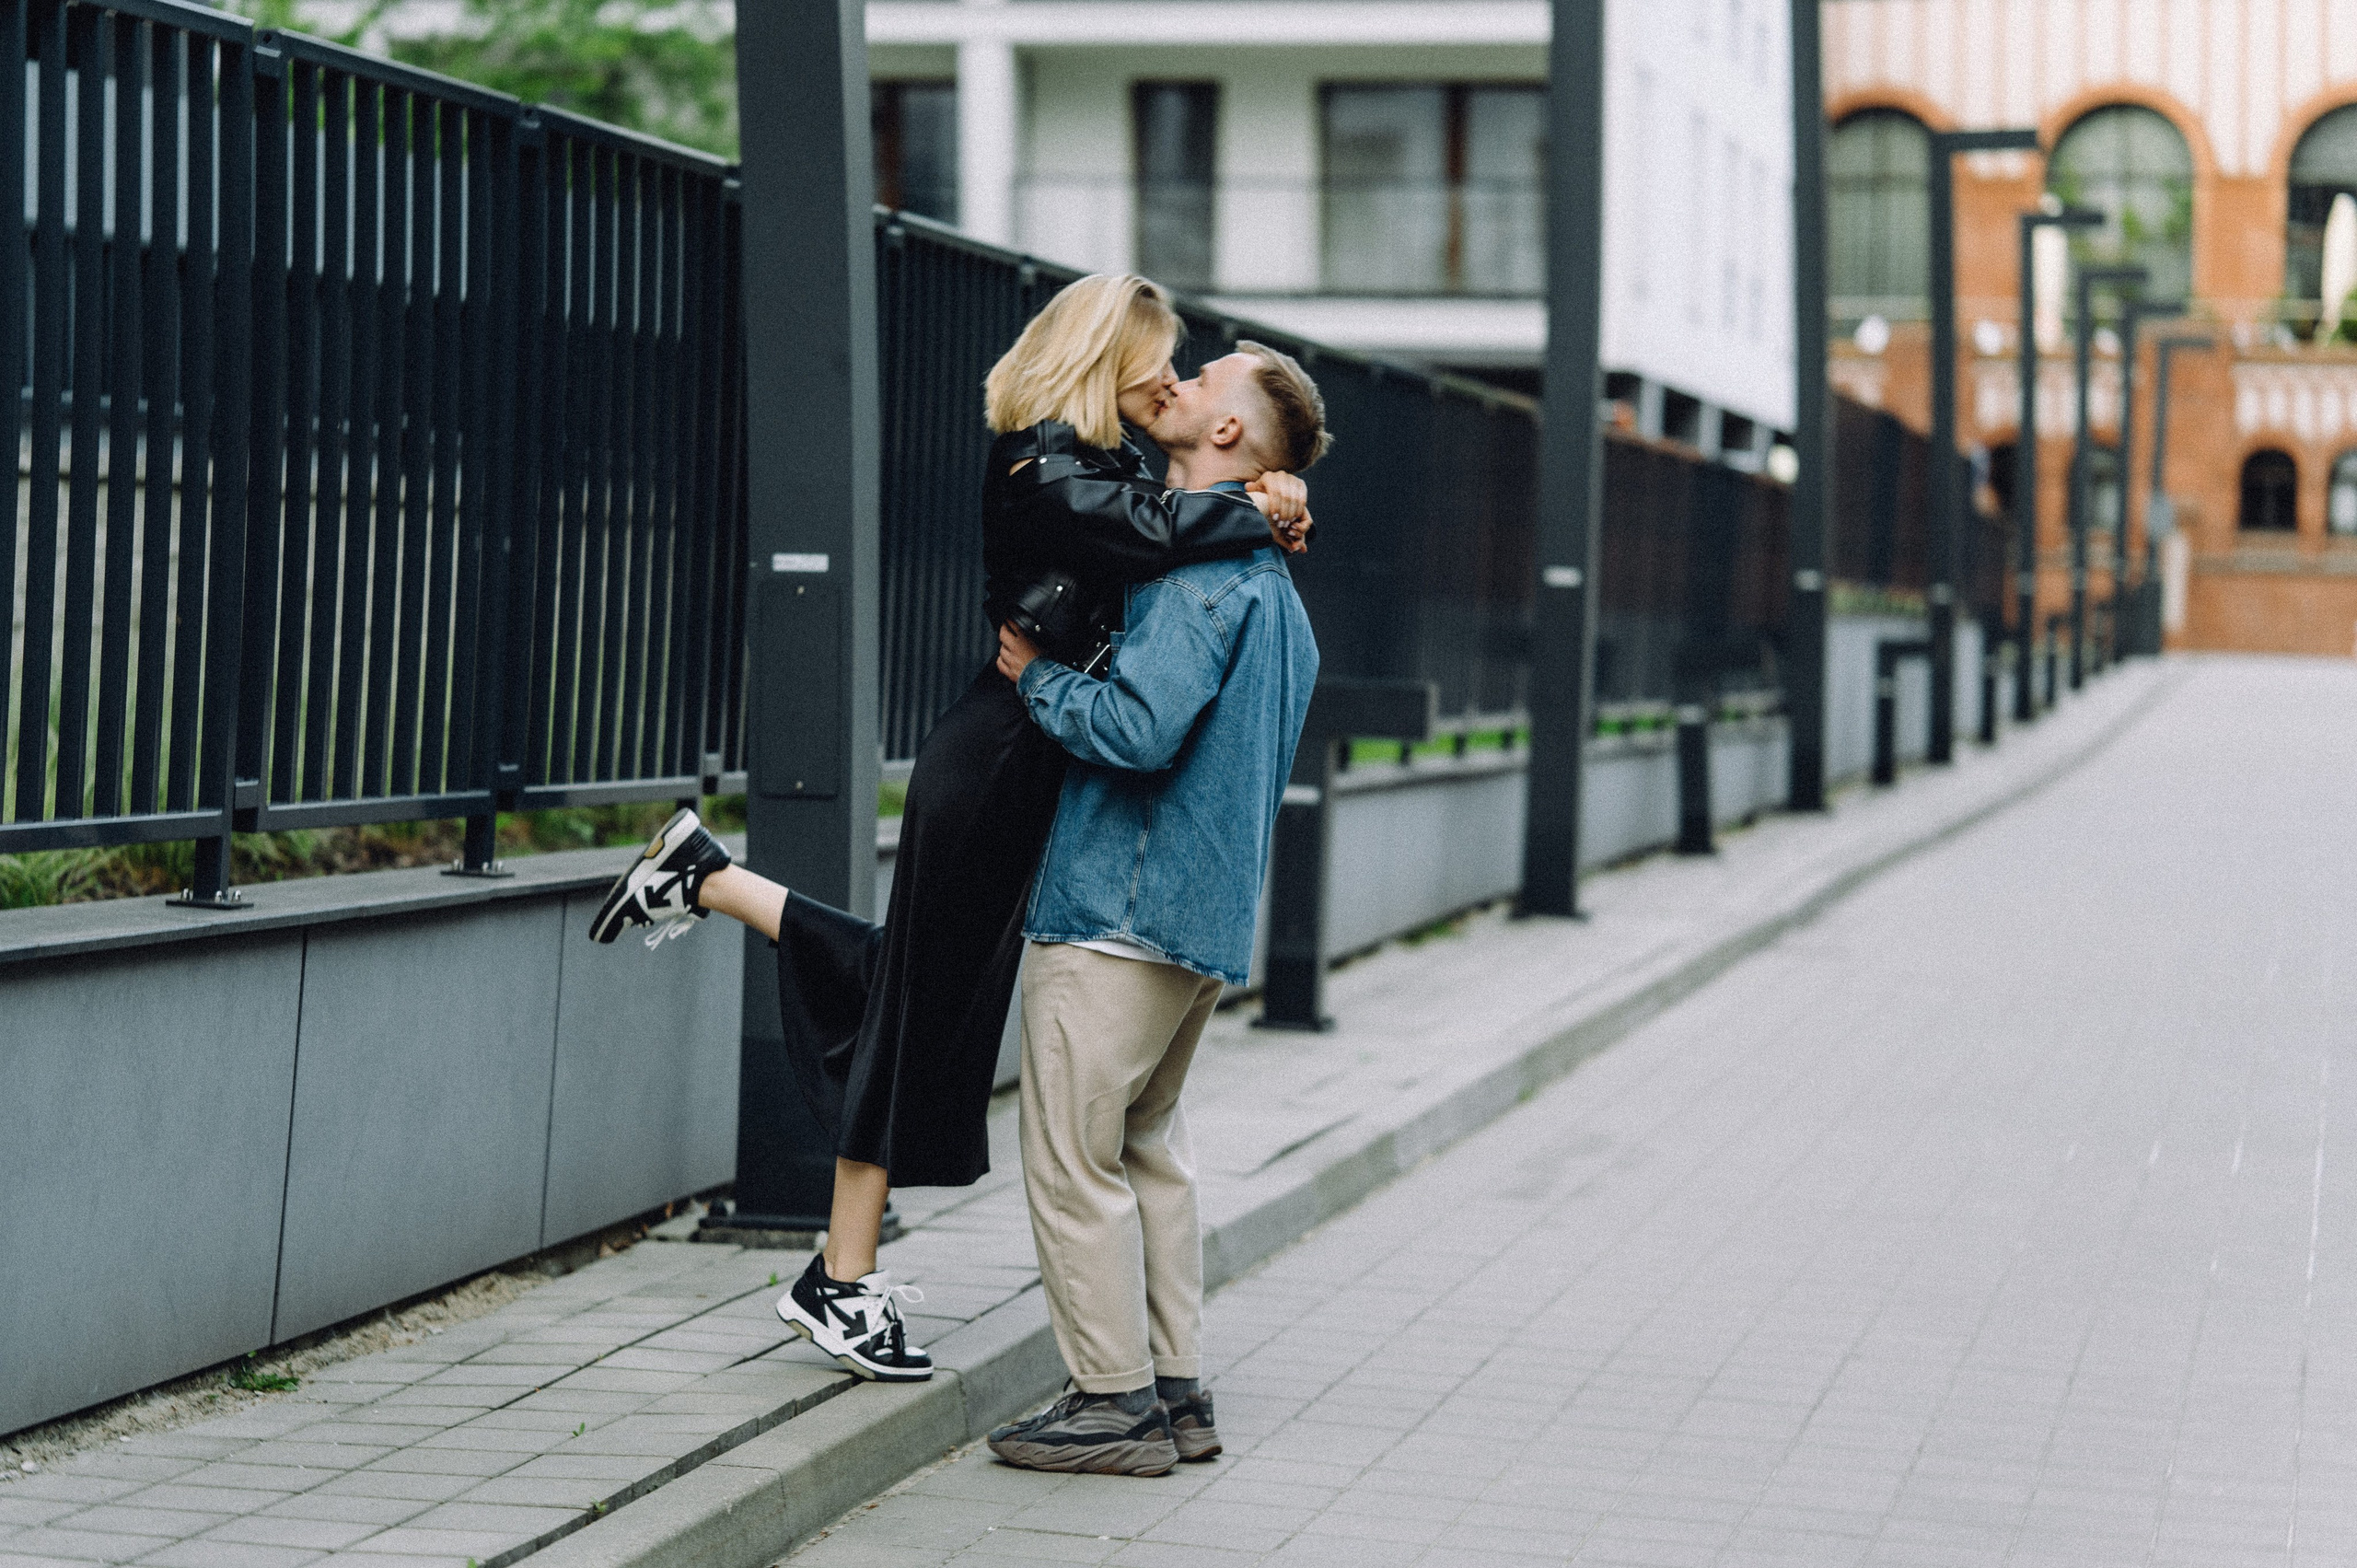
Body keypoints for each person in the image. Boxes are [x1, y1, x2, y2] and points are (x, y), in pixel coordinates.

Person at [584, 275, 1312, 1385]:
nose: (1169, 377)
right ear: (1104, 355)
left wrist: (1271, 487)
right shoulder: (1042, 461)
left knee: (917, 982)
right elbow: (1153, 526)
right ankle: (840, 1275)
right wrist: (1258, 501)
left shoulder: (1104, 455)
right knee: (918, 998)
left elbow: (1169, 511)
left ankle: (709, 877)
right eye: (1159, 359)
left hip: (1032, 753)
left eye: (1184, 368)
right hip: (1000, 755)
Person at [983, 342, 1328, 1477]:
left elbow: (1135, 731)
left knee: (1073, 1160)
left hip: (1114, 909)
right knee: (1149, 1153)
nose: (1176, 382)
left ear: (1229, 434)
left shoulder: (1202, 579)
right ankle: (1177, 1392)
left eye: (1204, 377)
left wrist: (1035, 674)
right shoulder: (1274, 587)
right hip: (1199, 920)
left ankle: (1109, 1403)